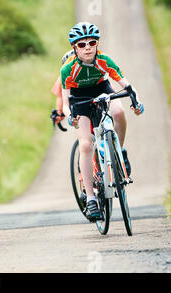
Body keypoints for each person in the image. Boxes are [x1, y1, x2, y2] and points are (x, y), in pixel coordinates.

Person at [60, 22, 144, 221]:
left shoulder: (104, 60)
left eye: (92, 42)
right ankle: (90, 199)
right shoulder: (67, 69)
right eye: (82, 45)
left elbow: (127, 85)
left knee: (119, 113)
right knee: (86, 145)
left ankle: (120, 152)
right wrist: (70, 115)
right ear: (74, 48)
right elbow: (65, 102)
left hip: (102, 89)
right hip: (79, 99)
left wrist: (136, 101)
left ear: (97, 44)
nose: (87, 47)